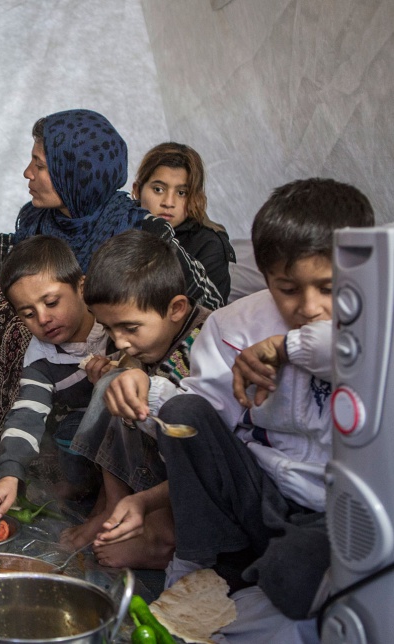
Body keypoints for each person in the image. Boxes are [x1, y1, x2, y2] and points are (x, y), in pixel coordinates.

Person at [0, 109, 224, 476]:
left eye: (39, 165)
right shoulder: (37, 223)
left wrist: (133, 365)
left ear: (77, 171)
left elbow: (209, 312)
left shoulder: (138, 231)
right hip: (40, 369)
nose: (27, 173)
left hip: (110, 373)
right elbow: (15, 302)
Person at [152, 178, 374, 618]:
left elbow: (351, 349)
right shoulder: (234, 326)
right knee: (182, 412)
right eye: (287, 289)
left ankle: (257, 568)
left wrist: (286, 347)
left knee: (291, 579)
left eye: (329, 288)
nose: (309, 307)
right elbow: (203, 425)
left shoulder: (378, 322)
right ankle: (206, 558)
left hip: (341, 513)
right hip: (263, 494)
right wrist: (146, 398)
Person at [53, 230, 212, 569]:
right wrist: (123, 370)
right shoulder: (149, 337)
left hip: (203, 480)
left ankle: (161, 534)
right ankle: (110, 506)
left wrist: (133, 378)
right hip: (164, 472)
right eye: (109, 330)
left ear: (177, 309)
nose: (119, 341)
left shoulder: (207, 344)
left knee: (125, 386)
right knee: (117, 382)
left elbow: (205, 452)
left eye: (129, 328)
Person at [0, 235, 111, 520]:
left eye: (51, 302)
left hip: (130, 437)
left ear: (81, 287)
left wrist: (118, 369)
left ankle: (108, 507)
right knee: (70, 430)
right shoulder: (41, 359)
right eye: (28, 314)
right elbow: (27, 414)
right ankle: (82, 488)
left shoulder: (112, 325)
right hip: (83, 441)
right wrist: (10, 473)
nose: (43, 319)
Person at [132, 142, 236, 302]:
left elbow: (206, 316)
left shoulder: (210, 245)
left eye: (182, 193)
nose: (168, 202)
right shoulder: (117, 225)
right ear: (137, 190)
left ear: (196, 197)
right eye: (158, 189)